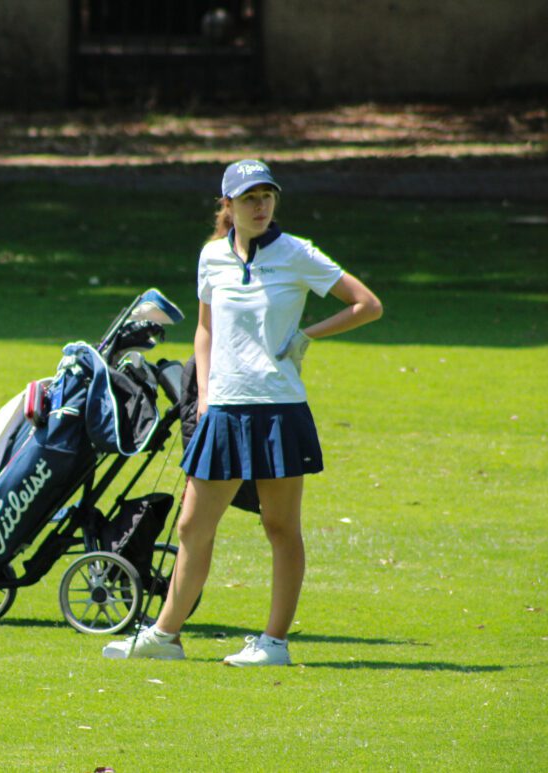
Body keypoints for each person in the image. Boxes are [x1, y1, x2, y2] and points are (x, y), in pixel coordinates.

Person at [103, 159, 383, 666]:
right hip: (224, 411)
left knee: (280, 527)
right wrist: (205, 394)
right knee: (192, 525)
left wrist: (306, 335)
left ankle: (274, 644)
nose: (260, 206)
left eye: (267, 196)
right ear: (227, 205)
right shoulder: (212, 256)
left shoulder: (297, 253)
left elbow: (367, 304)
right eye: (249, 198)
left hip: (279, 411)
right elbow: (205, 329)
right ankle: (165, 637)